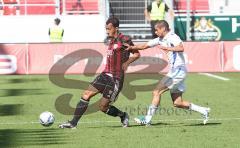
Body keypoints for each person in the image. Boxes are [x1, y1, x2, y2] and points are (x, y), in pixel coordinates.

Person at [59, 17, 140, 128]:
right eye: (106, 28)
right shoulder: (111, 40)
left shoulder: (124, 39)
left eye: (109, 28)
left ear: (116, 28)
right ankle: (73, 123)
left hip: (116, 78)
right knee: (86, 95)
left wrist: (126, 63)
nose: (107, 31)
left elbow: (136, 54)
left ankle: (123, 115)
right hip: (105, 74)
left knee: (103, 107)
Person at [125, 20, 210, 126]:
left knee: (156, 92)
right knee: (177, 103)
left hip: (177, 71)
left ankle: (147, 119)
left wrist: (167, 48)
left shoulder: (173, 37)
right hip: (177, 71)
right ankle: (204, 111)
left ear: (163, 29)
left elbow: (181, 48)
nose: (155, 32)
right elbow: (145, 46)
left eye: (156, 30)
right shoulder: (160, 39)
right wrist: (132, 47)